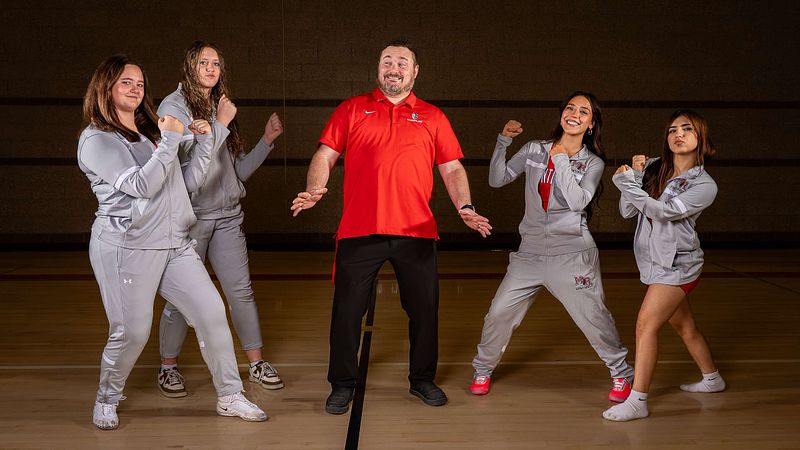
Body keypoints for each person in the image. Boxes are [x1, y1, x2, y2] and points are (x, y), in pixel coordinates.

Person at [291, 39, 492, 414]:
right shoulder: (351, 109)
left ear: (415, 72)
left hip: (416, 231)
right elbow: (325, 154)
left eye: (402, 62)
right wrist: (315, 188)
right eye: (387, 61)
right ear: (378, 68)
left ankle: (422, 380)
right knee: (347, 312)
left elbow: (451, 167)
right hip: (359, 230)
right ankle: (342, 384)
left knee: (424, 310)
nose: (394, 67)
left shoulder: (433, 116)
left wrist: (464, 205)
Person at [78, 55, 267, 430]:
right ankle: (107, 397)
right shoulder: (96, 140)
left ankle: (229, 395)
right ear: (105, 89)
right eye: (125, 83)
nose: (135, 89)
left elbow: (188, 182)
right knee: (132, 331)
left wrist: (204, 138)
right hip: (126, 247)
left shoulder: (150, 133)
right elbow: (141, 186)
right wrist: (170, 139)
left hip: (173, 243)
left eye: (139, 83)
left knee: (212, 312)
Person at [470, 92, 635, 402]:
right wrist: (502, 142)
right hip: (529, 253)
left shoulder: (593, 163)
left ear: (591, 124)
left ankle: (622, 373)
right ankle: (483, 369)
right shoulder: (534, 149)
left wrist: (560, 158)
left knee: (593, 316)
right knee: (498, 313)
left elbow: (577, 202)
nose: (574, 113)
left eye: (583, 111)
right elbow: (497, 179)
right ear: (562, 114)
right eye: (570, 107)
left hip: (572, 253)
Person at [156, 41, 284, 397]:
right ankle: (168, 368)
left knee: (240, 292)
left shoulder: (219, 105)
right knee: (183, 298)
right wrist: (218, 124)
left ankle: (256, 362)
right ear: (189, 66)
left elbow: (236, 172)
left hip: (227, 217)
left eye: (216, 63)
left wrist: (266, 142)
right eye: (203, 62)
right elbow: (184, 166)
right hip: (190, 219)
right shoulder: (174, 106)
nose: (211, 69)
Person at [603, 110, 725, 422]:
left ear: (701, 138)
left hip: (679, 265)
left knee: (646, 324)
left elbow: (664, 213)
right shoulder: (656, 167)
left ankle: (638, 400)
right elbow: (628, 210)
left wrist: (625, 183)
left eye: (687, 129)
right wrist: (633, 177)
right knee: (684, 326)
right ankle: (712, 379)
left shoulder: (705, 185)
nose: (678, 134)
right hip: (654, 261)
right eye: (672, 129)